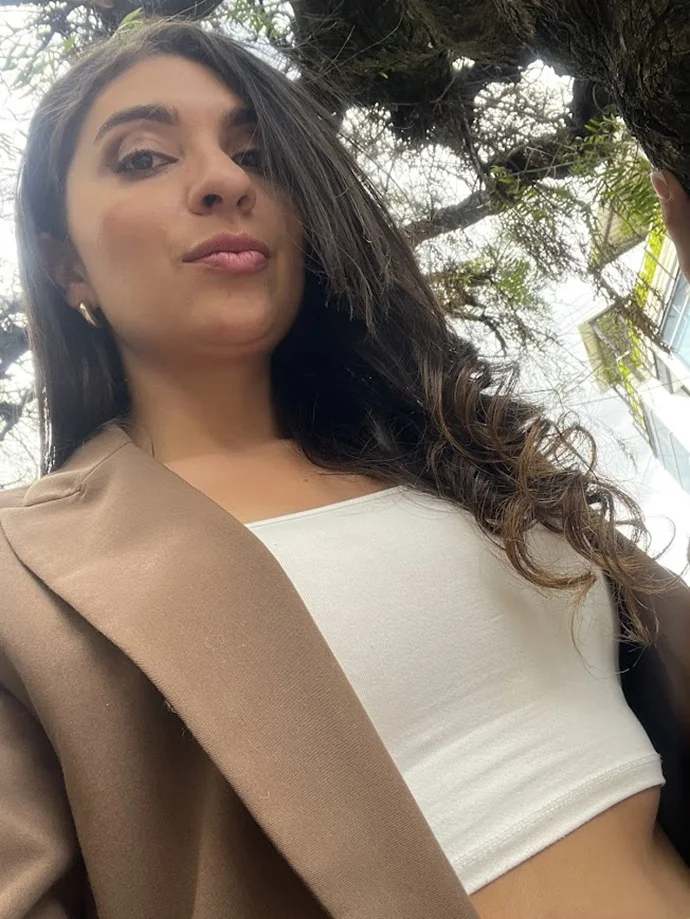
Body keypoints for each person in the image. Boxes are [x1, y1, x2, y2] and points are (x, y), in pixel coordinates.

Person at [0, 17, 688, 919]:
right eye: (144, 158)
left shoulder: (451, 449)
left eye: (256, 153)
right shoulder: (24, 580)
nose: (225, 180)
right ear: (65, 263)